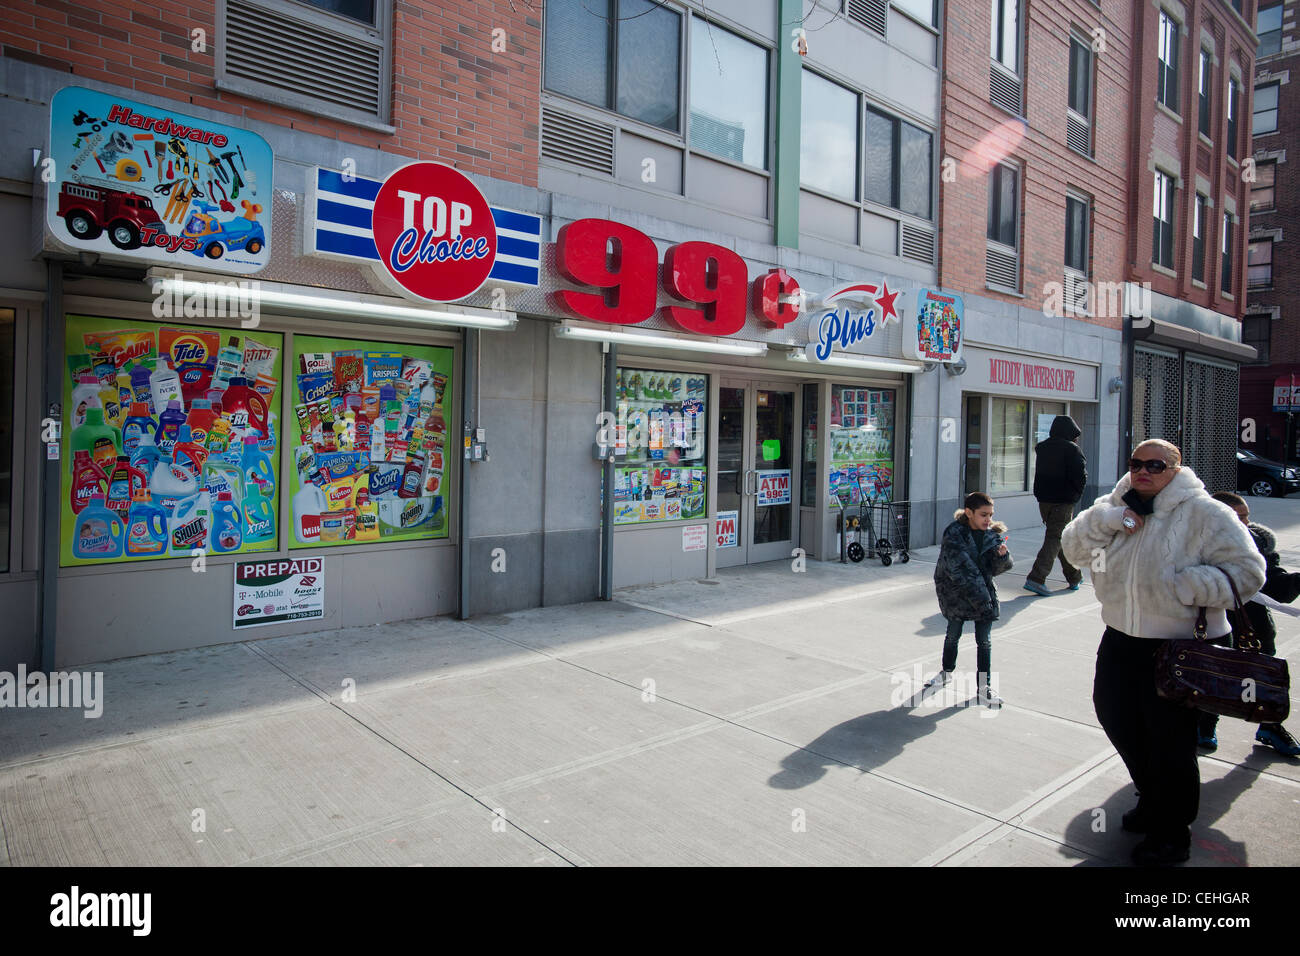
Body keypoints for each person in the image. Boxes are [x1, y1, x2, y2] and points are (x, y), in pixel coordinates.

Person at [1061, 440, 1265, 866]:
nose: (1143, 471)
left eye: (1155, 465)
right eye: (1136, 463)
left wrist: (1185, 588)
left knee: (1170, 741)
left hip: (1182, 645)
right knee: (1115, 716)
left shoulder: (1207, 513)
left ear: (1175, 468)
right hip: (1121, 637)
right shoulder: (1115, 505)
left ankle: (1172, 833)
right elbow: (1074, 551)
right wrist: (1109, 520)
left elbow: (1249, 573)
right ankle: (1153, 797)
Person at [1203, 492, 1300, 756]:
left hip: (1254, 630)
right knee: (1211, 680)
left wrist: (1297, 580)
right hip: (1214, 629)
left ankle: (1270, 726)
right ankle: (1205, 727)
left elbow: (1278, 588)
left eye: (1246, 516)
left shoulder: (1259, 545)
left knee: (1265, 681)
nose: (1245, 524)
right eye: (1238, 518)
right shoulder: (1196, 548)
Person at [926, 491, 1014, 707]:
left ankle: (984, 688)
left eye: (991, 515)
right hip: (957, 594)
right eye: (983, 514)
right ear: (969, 512)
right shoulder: (953, 534)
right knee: (953, 635)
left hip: (982, 594)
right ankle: (946, 672)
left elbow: (993, 570)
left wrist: (1002, 557)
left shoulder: (992, 535)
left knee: (984, 642)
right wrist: (986, 601)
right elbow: (960, 571)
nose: (988, 520)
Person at [1024, 415, 1087, 596]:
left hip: (1044, 501)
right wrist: (1075, 496)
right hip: (1063, 501)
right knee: (1054, 538)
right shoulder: (1072, 449)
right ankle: (1036, 578)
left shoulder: (1043, 448)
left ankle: (1074, 576)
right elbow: (1080, 477)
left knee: (1058, 538)